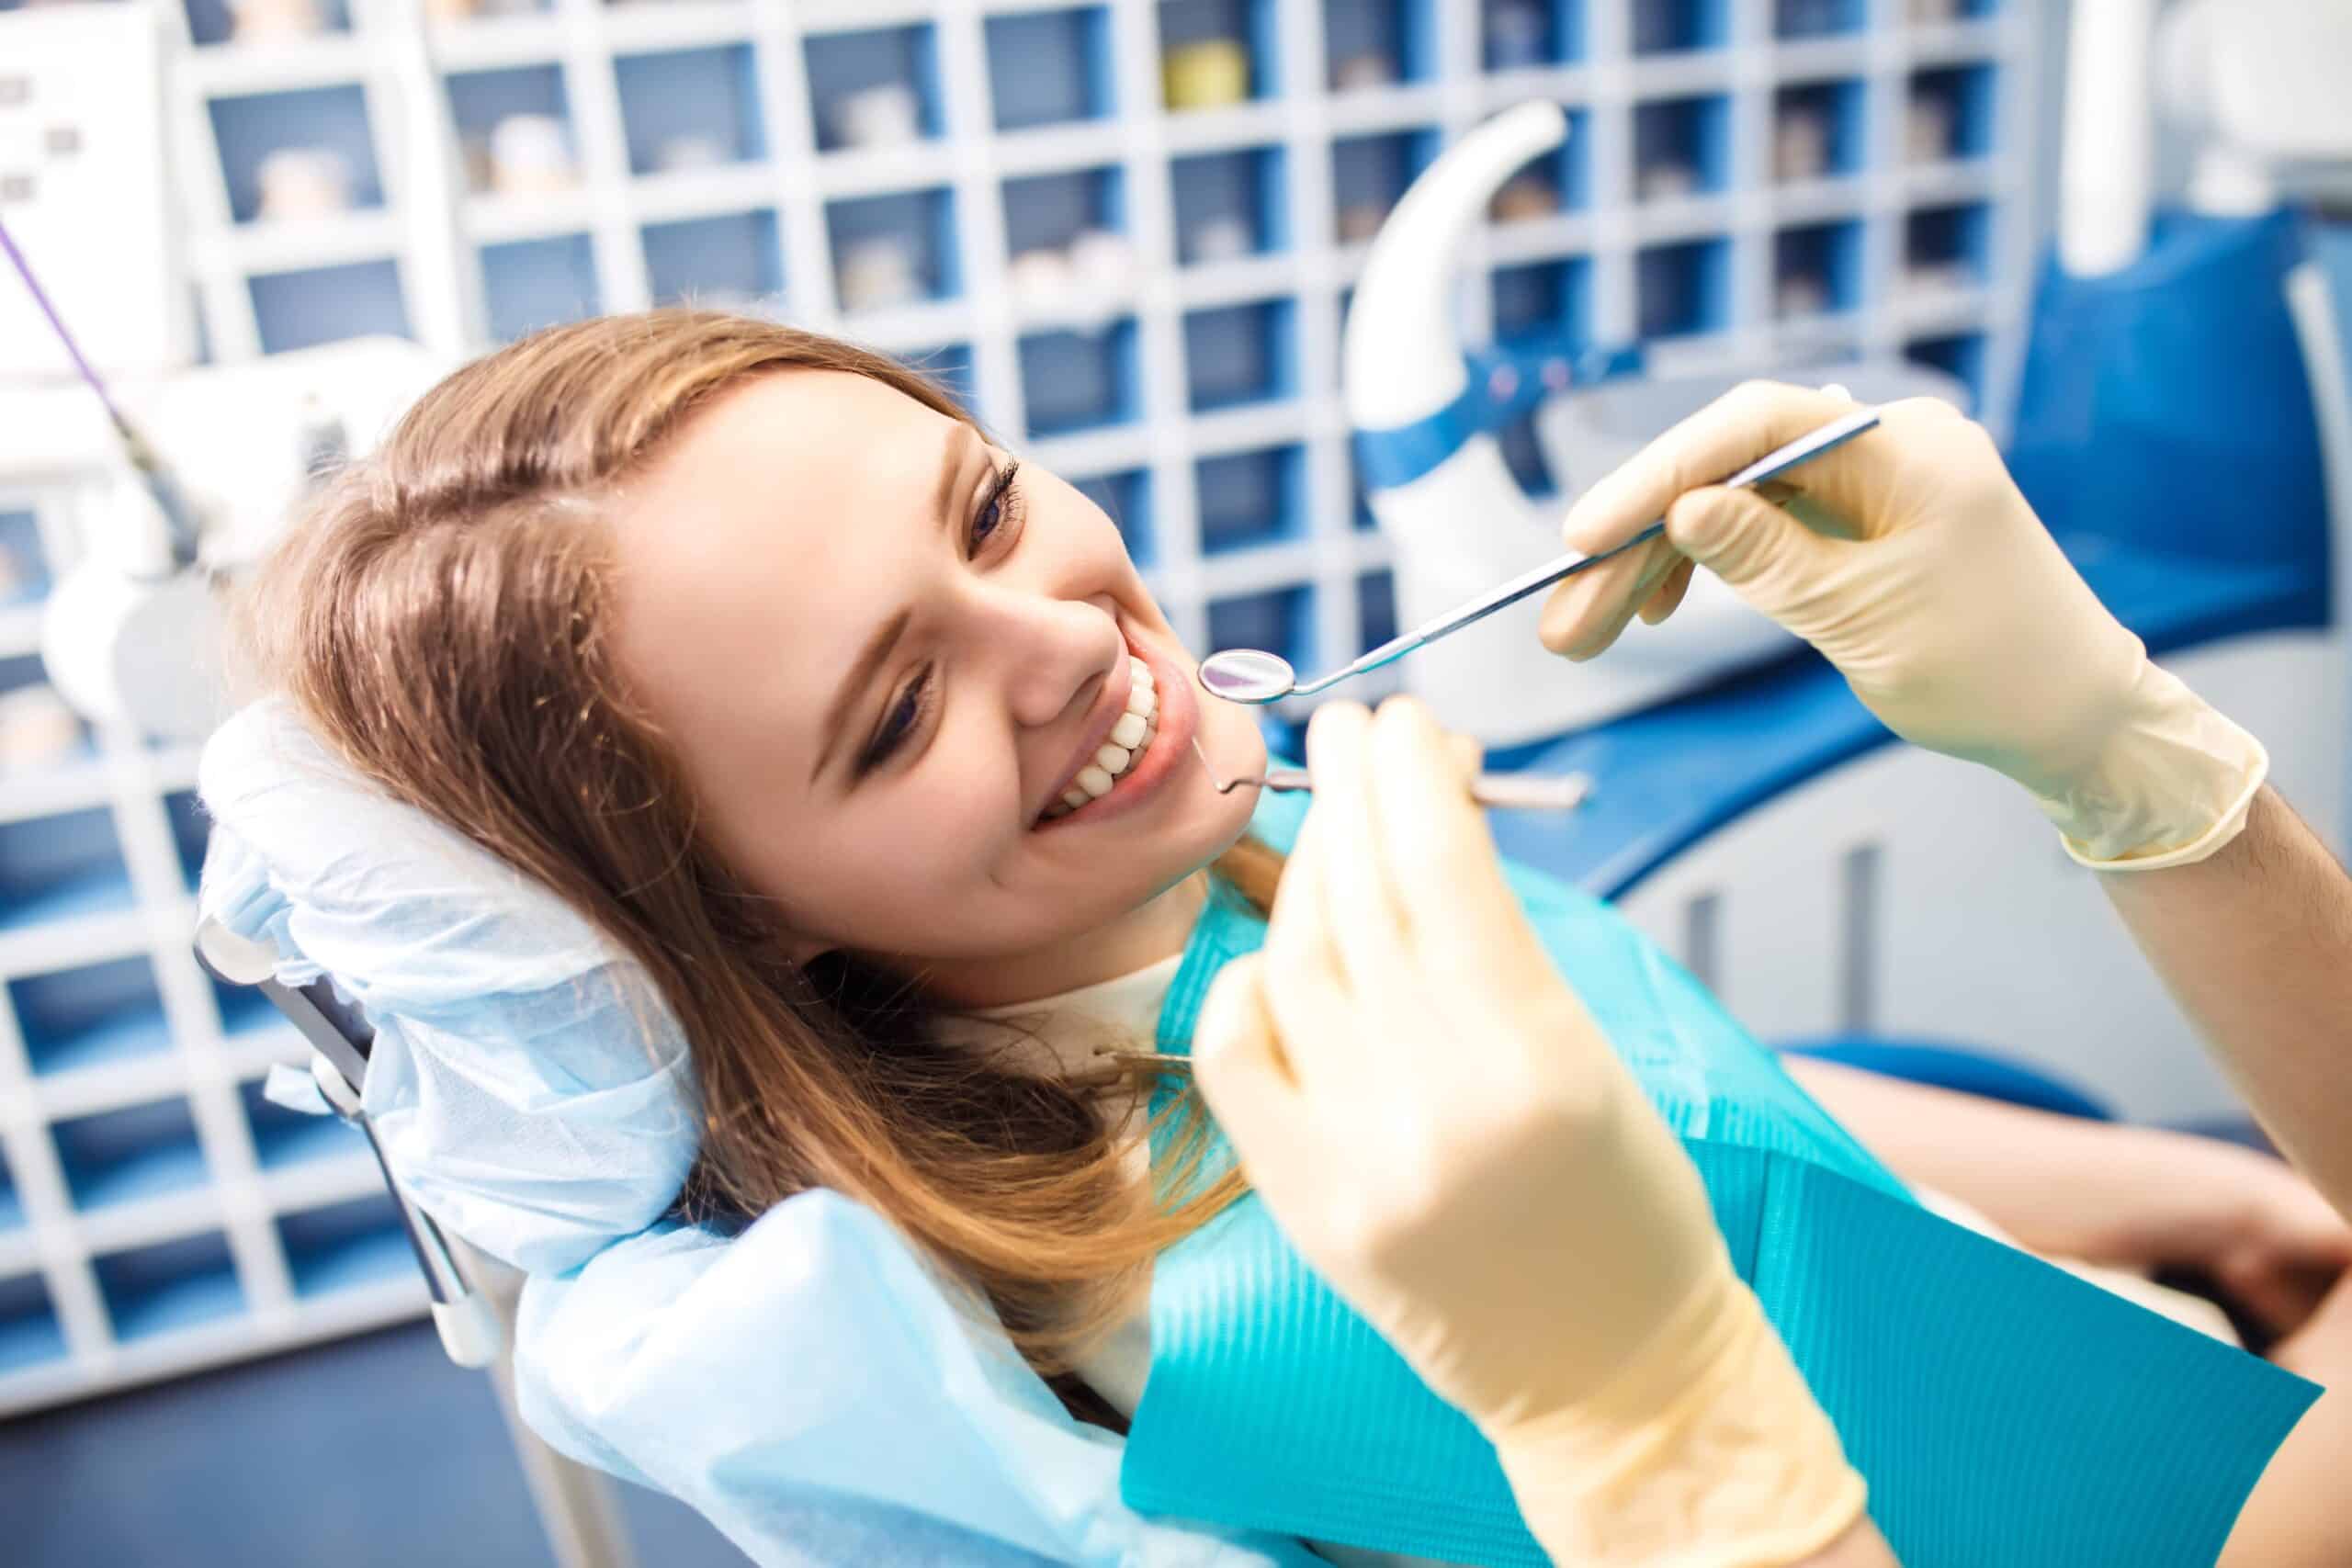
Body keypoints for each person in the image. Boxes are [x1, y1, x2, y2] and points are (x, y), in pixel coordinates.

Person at [234, 317, 2348, 1566]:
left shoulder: (1223, 877)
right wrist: (2152, 784)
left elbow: (1682, 1081)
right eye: (893, 716)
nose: (1068, 635)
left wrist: (2216, 1194)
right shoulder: (1222, 1317)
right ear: (741, 931)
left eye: (981, 506)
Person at [1194, 382, 2352, 1565]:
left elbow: (1711, 1092)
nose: (1071, 644)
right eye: (975, 662)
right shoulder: (1193, 1327)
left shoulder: (1270, 848)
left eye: (994, 509)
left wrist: (2120, 745)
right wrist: (1651, 1432)